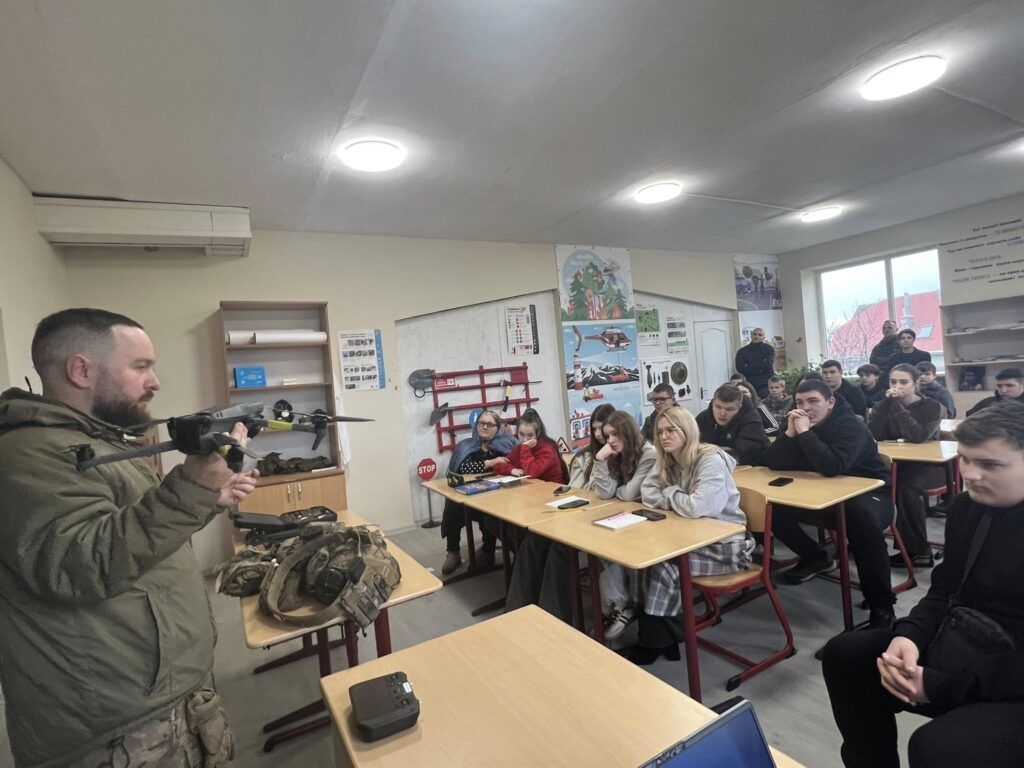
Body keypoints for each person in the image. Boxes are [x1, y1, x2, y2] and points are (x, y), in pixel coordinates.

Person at [0, 308, 259, 768]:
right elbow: (81, 565)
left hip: (158, 698)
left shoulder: (100, 443)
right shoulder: (28, 455)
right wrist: (192, 486)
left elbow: (135, 538)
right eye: (141, 366)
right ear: (81, 370)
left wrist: (207, 499)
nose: (155, 382)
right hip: (118, 729)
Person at [822, 402, 1024, 768]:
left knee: (938, 747)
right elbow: (945, 589)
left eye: (990, 464)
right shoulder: (967, 508)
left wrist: (944, 687)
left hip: (1010, 678)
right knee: (847, 655)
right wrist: (910, 635)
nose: (970, 474)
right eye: (965, 459)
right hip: (972, 645)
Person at [611, 407, 753, 665]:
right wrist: (680, 496)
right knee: (640, 561)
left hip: (725, 547)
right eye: (660, 432)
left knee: (663, 568)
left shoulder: (710, 460)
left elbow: (698, 508)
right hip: (688, 540)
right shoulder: (666, 459)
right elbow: (648, 494)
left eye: (671, 430)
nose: (664, 437)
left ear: (687, 431)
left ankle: (654, 642)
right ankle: (667, 638)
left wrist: (670, 492)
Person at [762, 379, 896, 627]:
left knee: (861, 519)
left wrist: (805, 433)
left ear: (830, 402)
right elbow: (775, 463)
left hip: (871, 493)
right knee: (771, 510)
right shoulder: (797, 423)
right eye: (800, 402)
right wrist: (789, 434)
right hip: (823, 495)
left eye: (813, 401)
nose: (805, 408)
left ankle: (882, 606)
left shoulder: (851, 426)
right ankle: (816, 557)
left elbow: (832, 466)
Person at [506, 404, 614, 621]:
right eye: (594, 429)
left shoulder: (619, 454)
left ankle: (552, 618)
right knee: (533, 540)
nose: (599, 434)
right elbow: (574, 488)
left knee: (560, 549)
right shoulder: (585, 456)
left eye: (603, 428)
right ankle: (517, 610)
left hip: (602, 518)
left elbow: (611, 493)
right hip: (576, 511)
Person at [867, 364, 943, 567]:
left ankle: (919, 551)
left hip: (928, 467)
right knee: (866, 483)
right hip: (897, 464)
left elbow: (918, 436)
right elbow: (874, 434)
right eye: (893, 382)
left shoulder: (931, 406)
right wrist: (886, 404)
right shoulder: (883, 405)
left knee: (905, 488)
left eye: (903, 382)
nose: (897, 386)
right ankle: (864, 537)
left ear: (916, 383)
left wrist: (897, 407)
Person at [591, 411, 658, 637]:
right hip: (625, 517)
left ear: (627, 432)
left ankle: (624, 605)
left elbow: (629, 494)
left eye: (615, 434)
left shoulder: (648, 454)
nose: (610, 440)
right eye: (607, 435)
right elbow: (605, 492)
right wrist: (600, 460)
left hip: (648, 522)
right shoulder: (615, 454)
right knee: (597, 542)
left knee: (611, 546)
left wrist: (617, 492)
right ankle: (620, 603)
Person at [439, 410, 517, 574]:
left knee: (489, 514)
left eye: (489, 424)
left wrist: (497, 464)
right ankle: (453, 552)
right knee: (453, 507)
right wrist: (491, 462)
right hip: (469, 493)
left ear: (498, 428)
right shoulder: (466, 445)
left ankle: (488, 551)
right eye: (481, 423)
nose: (485, 427)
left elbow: (511, 464)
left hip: (496, 496)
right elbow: (463, 468)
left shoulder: (507, 444)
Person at [695, 384, 771, 466]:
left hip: (753, 468)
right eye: (718, 407)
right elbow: (689, 447)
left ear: (740, 407)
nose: (722, 413)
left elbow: (743, 453)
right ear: (713, 402)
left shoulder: (751, 420)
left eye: (729, 409)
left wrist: (705, 450)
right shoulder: (703, 418)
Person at [491, 409, 568, 483]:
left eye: (530, 435)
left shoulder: (547, 449)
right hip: (533, 487)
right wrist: (511, 470)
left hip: (554, 488)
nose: (525, 439)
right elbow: (497, 466)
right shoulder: (521, 447)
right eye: (521, 434)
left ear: (538, 434)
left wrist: (525, 448)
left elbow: (531, 473)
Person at [735, 327, 776, 397]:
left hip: (765, 384)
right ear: (751, 335)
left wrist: (750, 366)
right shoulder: (742, 351)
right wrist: (760, 369)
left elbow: (768, 365)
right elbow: (740, 368)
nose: (756, 336)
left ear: (763, 337)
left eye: (760, 335)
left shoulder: (769, 349)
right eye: (755, 334)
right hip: (750, 384)